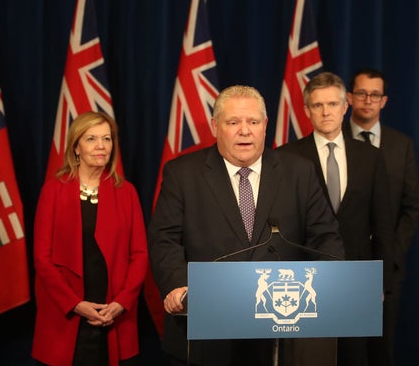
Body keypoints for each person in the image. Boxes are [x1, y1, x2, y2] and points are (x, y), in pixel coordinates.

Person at [148, 85, 345, 366]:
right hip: (207, 326)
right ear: (216, 126)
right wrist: (179, 286)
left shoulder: (298, 171)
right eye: (233, 122)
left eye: (253, 122)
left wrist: (332, 285)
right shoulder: (183, 173)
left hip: (282, 332)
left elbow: (325, 237)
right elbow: (164, 239)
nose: (245, 130)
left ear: (265, 126)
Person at [278, 72, 393, 366]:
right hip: (303, 281)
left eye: (332, 104)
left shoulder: (370, 156)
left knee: (355, 356)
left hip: (357, 278)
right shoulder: (286, 157)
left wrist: (379, 281)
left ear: (346, 107)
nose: (326, 111)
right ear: (306, 111)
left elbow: (382, 225)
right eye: (318, 105)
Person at [32, 111, 148, 366]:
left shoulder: (126, 192)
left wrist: (121, 302)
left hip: (113, 314)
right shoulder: (54, 190)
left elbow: (139, 255)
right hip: (66, 314)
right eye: (92, 139)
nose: (101, 146)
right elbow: (42, 258)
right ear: (76, 147)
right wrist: (74, 304)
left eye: (107, 139)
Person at [344, 68, 419, 366]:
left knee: (380, 349)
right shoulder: (332, 144)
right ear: (349, 98)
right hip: (340, 266)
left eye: (374, 95)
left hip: (385, 267)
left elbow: (411, 205)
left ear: (384, 101)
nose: (368, 100)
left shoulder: (401, 145)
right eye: (361, 93)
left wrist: (392, 255)